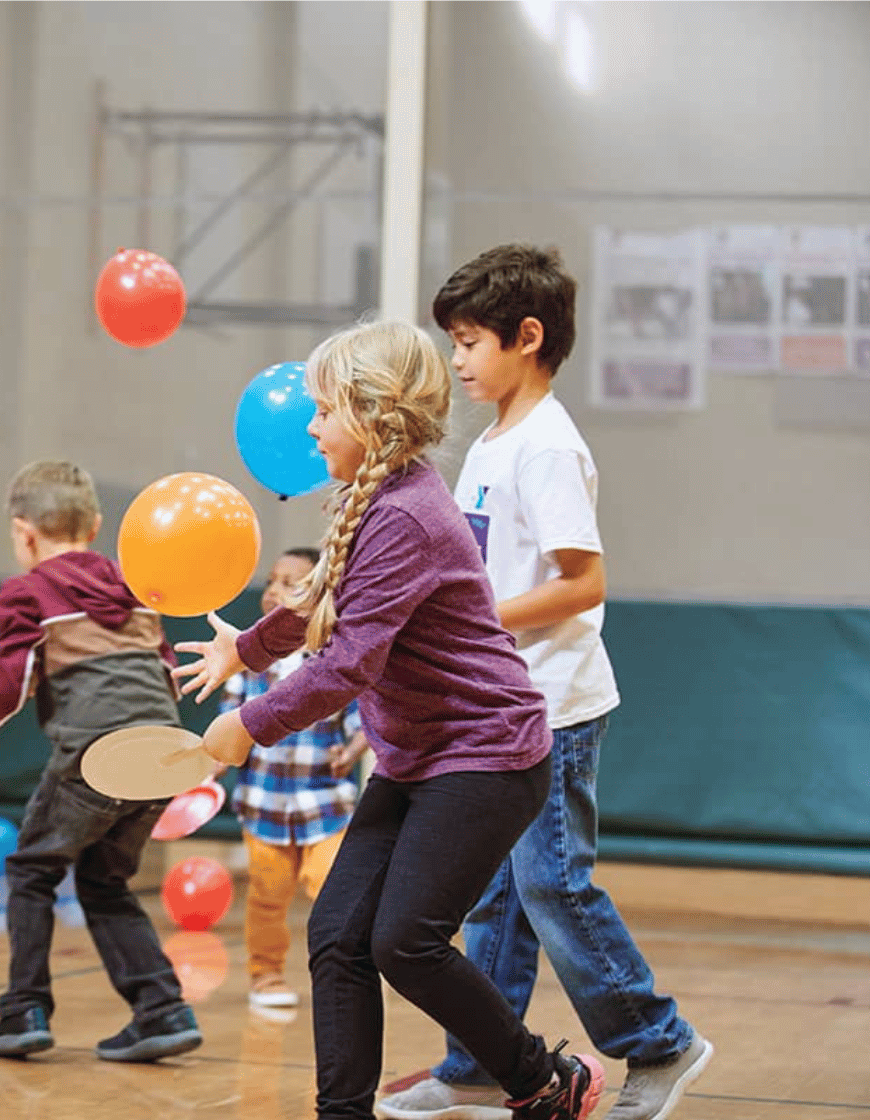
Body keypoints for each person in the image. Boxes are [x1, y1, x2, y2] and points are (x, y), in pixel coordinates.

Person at [176, 320, 604, 1120]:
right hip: (417, 759)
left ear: (372, 416)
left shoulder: (406, 515)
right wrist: (247, 652)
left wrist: (251, 724)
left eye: (323, 409)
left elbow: (347, 664)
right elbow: (319, 607)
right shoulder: (373, 502)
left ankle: (546, 1079)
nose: (309, 427)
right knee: (337, 937)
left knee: (403, 940)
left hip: (487, 759)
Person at [377, 245, 711, 1120]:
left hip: (552, 706)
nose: (456, 360)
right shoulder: (491, 441)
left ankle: (660, 1044)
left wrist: (472, 622)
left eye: (471, 341)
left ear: (528, 338)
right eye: (451, 341)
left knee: (552, 885)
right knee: (493, 895)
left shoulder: (549, 447)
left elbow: (582, 581)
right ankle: (477, 1063)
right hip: (498, 710)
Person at [0, 460, 201, 1063]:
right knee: (102, 877)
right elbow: (166, 678)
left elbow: (12, 688)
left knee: (30, 872)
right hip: (164, 751)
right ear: (94, 526)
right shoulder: (133, 587)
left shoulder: (27, 590)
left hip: (96, 752)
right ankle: (162, 1009)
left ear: (23, 531)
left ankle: (23, 1011)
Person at [218, 545, 364, 1011]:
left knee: (332, 889)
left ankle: (342, 977)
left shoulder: (335, 656)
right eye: (271, 582)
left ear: (321, 594)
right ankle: (266, 976)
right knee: (267, 896)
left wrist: (355, 747)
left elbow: (363, 717)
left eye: (290, 583)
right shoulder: (247, 660)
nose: (274, 592)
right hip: (264, 804)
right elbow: (231, 717)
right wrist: (217, 757)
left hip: (325, 800)